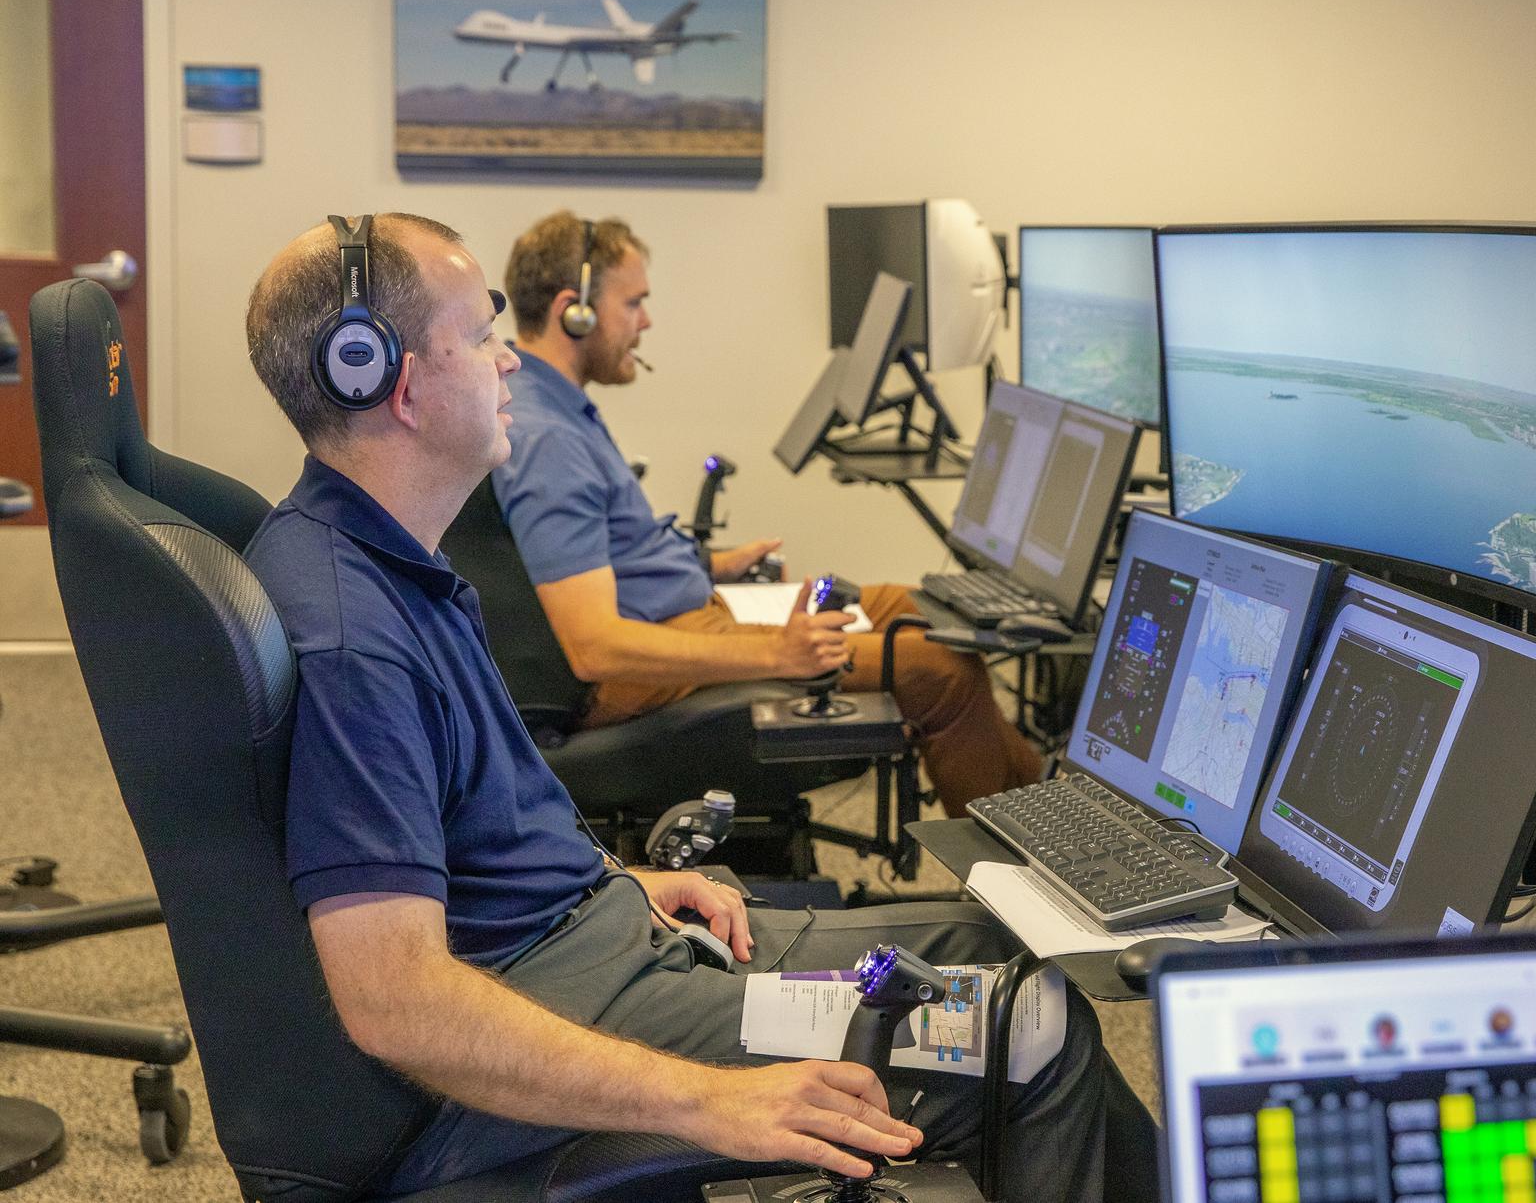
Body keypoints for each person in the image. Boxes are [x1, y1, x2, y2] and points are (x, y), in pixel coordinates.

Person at [241, 212, 1151, 1199]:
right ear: (391, 380)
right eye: (482, 336)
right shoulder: (354, 635)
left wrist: (616, 883)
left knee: (999, 958)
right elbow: (396, 1002)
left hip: (601, 944)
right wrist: (707, 1099)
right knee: (1026, 1034)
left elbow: (471, 839)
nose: (509, 363)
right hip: (562, 1008)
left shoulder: (395, 565)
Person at [491, 210, 1040, 814]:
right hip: (649, 652)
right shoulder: (549, 441)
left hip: (685, 610)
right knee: (942, 668)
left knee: (924, 610)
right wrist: (781, 652)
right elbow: (594, 645)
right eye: (634, 303)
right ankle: (1010, 853)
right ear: (574, 310)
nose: (646, 321)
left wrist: (710, 565)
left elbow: (597, 553)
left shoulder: (552, 403)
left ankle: (1037, 808)